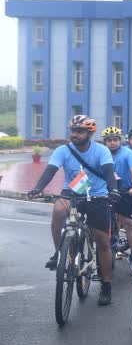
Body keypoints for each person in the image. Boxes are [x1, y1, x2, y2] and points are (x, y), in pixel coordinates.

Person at [28, 115, 120, 306]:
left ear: (90, 133)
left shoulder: (101, 150)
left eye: (79, 131)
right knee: (59, 210)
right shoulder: (63, 150)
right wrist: (39, 187)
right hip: (73, 192)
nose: (75, 135)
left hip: (97, 195)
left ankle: (107, 285)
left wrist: (113, 191)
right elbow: (50, 170)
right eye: (73, 131)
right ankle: (58, 253)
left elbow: (109, 173)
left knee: (103, 242)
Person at [102, 126, 132, 273]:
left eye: (115, 140)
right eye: (109, 140)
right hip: (106, 191)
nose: (112, 143)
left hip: (126, 192)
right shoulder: (102, 153)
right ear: (104, 142)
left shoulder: (128, 153)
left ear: (120, 141)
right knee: (105, 222)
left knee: (129, 223)